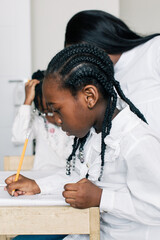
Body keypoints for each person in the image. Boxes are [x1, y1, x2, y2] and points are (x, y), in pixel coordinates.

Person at [5, 44, 160, 240]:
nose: (57, 120)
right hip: (90, 231)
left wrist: (102, 198)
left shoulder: (137, 142)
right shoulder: (94, 136)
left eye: (58, 110)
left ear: (90, 97)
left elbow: (156, 206)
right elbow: (77, 178)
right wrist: (39, 185)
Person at [64, 10, 160, 136]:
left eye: (81, 54)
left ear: (99, 41)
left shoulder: (154, 49)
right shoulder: (102, 82)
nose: (83, 63)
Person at [12, 70, 73, 170]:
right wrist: (27, 102)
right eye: (47, 112)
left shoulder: (76, 123)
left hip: (69, 180)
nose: (57, 119)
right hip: (41, 179)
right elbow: (18, 138)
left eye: (57, 110)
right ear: (39, 110)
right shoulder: (39, 122)